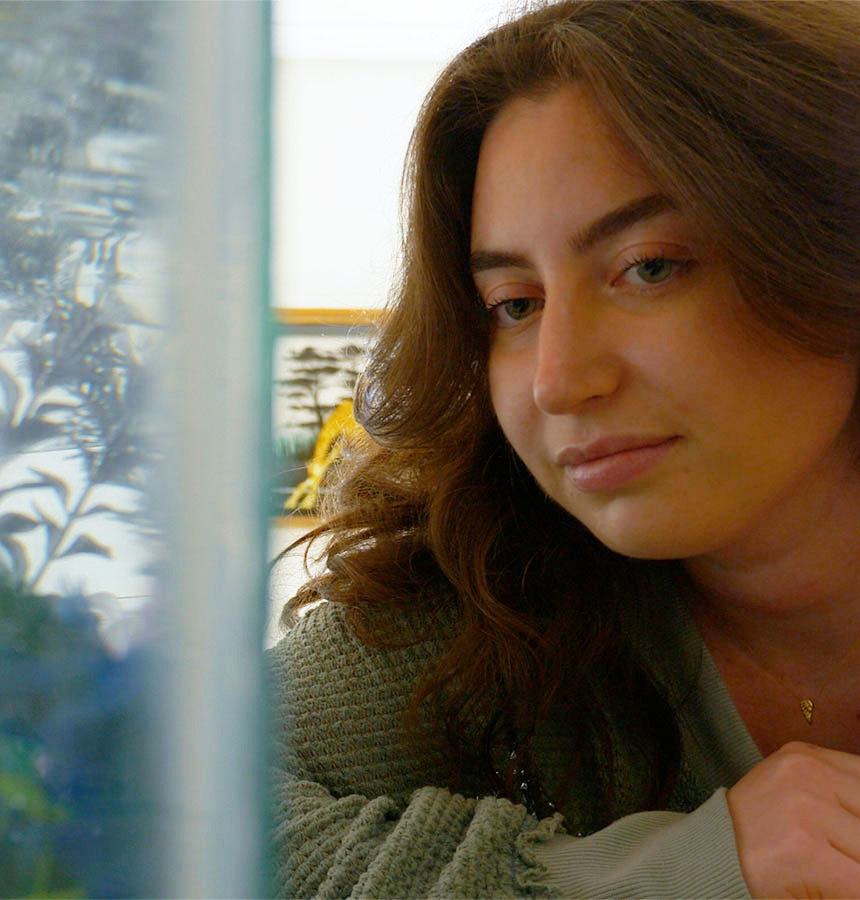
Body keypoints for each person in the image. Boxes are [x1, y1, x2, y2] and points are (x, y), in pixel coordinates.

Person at [269, 1, 860, 896]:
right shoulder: (473, 614)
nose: (556, 380)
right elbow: (127, 810)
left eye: (649, 267)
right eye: (515, 304)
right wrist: (668, 874)